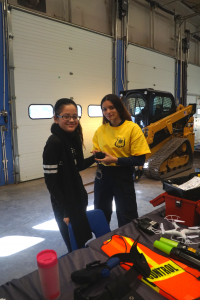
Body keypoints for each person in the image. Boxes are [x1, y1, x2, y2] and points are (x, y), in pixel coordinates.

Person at [43, 98, 94, 252]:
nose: (72, 120)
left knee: (81, 240)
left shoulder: (74, 140)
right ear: (56, 118)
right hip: (63, 202)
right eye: (66, 116)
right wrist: (66, 210)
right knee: (73, 244)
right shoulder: (54, 142)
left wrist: (97, 157)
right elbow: (51, 182)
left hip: (77, 197)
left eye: (75, 116)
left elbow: (78, 166)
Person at [92, 94, 151, 227]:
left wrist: (116, 160)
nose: (108, 112)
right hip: (102, 176)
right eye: (104, 109)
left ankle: (127, 242)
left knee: (127, 214)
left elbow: (140, 159)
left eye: (111, 107)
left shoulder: (132, 128)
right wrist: (97, 156)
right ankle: (102, 241)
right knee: (100, 213)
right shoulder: (100, 130)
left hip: (122, 176)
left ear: (118, 107)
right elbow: (96, 153)